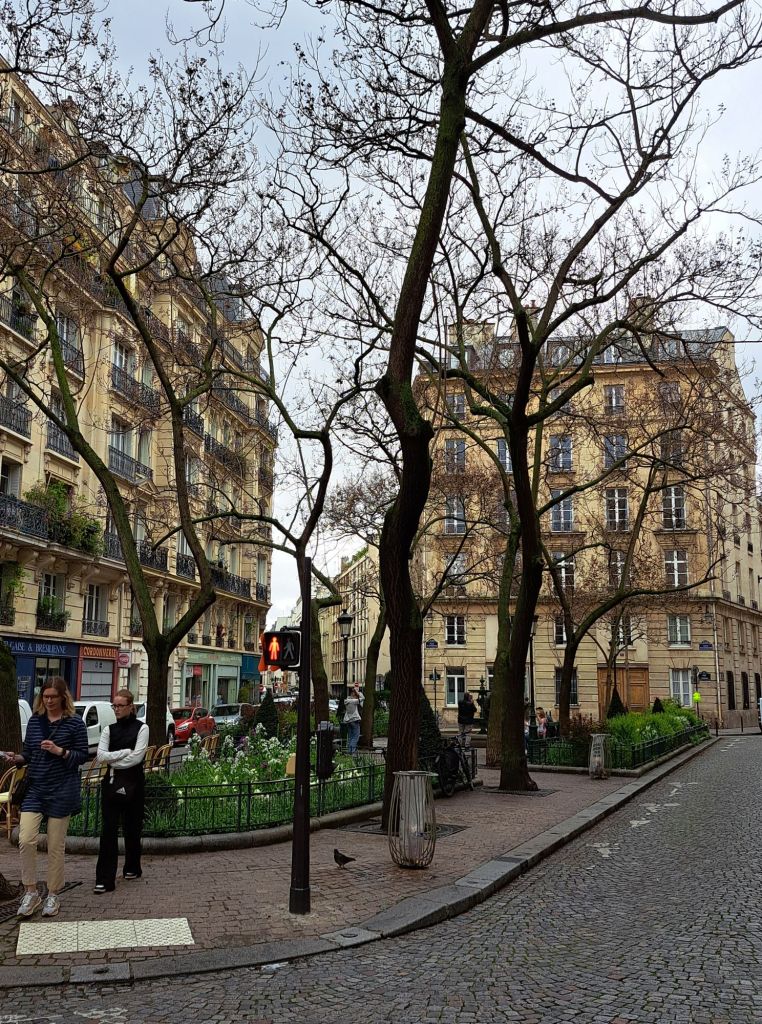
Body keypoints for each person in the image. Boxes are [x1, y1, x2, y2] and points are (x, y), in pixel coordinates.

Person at [2, 677, 88, 919]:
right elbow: (28, 753)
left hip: (62, 790)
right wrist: (16, 757)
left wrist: (60, 751)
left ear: (63, 697)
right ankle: (31, 892)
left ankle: (53, 894)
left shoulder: (74, 724)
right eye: (45, 696)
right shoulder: (35, 721)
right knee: (26, 839)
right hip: (35, 788)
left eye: (53, 696)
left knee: (55, 846)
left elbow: (82, 756)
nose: (48, 701)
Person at [94, 688, 150, 893]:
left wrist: (115, 760)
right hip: (111, 784)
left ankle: (132, 867)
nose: (116, 709)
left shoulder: (142, 728)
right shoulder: (109, 730)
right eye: (114, 705)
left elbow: (137, 757)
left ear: (130, 707)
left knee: (132, 828)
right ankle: (104, 878)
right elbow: (100, 756)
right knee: (108, 831)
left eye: (120, 705)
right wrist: (123, 754)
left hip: (134, 784)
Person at [343, 685, 364, 754]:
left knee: (350, 737)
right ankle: (352, 752)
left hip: (348, 721)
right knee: (355, 737)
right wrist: (357, 692)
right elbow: (363, 698)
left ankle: (349, 751)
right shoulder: (354, 701)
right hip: (355, 720)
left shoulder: (346, 700)